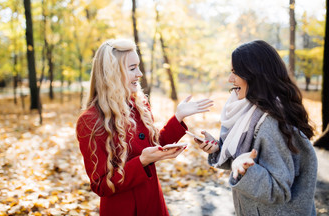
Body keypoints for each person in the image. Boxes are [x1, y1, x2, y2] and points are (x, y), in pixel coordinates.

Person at [76, 38, 213, 216]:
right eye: (132, 68)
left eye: (138, 66)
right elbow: (101, 185)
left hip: (153, 203)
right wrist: (141, 162)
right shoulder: (90, 121)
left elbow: (154, 145)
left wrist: (178, 116)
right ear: (112, 74)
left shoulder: (139, 104)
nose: (139, 73)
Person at [195, 40, 317, 215]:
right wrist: (217, 149)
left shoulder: (271, 124)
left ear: (255, 75)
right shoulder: (252, 114)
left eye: (236, 72)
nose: (230, 79)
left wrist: (246, 170)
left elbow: (279, 190)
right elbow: (248, 159)